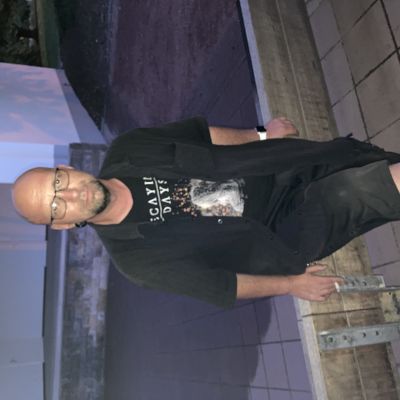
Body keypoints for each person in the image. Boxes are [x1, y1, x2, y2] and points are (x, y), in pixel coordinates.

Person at [12, 117, 400, 308]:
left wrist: (262, 135)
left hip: (281, 164)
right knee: (355, 190)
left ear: (66, 169)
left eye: (59, 183)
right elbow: (222, 286)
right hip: (280, 233)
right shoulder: (137, 261)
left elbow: (203, 136)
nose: (72, 194)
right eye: (57, 205)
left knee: (369, 162)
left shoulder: (130, 148)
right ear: (64, 224)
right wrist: (291, 284)